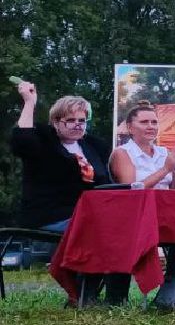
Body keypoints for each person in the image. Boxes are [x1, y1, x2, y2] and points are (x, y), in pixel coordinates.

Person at [9, 81, 125, 305]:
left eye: (82, 120)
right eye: (70, 120)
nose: (77, 125)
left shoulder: (94, 146)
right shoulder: (44, 141)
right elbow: (21, 142)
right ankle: (83, 294)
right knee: (98, 228)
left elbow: (105, 184)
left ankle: (115, 297)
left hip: (89, 214)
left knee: (122, 226)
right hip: (50, 214)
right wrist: (29, 101)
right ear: (56, 122)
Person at [109, 101, 175, 311]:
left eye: (154, 122)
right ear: (130, 128)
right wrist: (166, 169)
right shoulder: (122, 153)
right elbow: (131, 190)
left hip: (167, 213)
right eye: (144, 122)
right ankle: (170, 287)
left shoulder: (163, 153)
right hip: (134, 216)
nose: (151, 126)